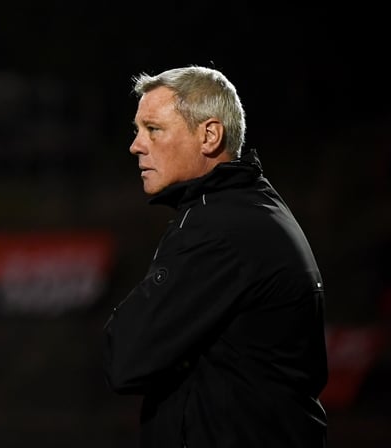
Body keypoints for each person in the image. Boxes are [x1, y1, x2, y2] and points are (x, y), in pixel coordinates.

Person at [102, 65, 328, 447]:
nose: (136, 145)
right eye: (137, 130)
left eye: (153, 129)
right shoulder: (250, 205)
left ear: (209, 135)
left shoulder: (218, 228)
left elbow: (123, 359)